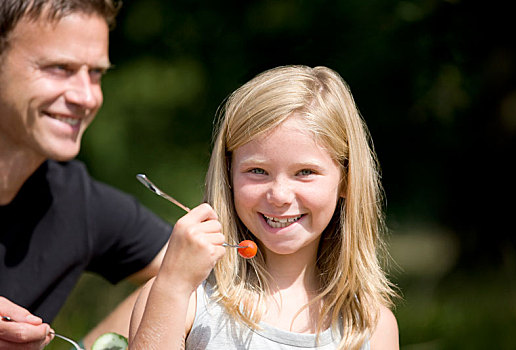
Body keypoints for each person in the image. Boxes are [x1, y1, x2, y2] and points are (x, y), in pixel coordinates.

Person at [129, 65, 399, 349]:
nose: (279, 195)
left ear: (346, 179)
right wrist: (173, 285)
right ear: (228, 174)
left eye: (305, 172)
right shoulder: (184, 299)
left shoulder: (371, 326)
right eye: (258, 171)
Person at [0, 1, 172, 349]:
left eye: (96, 73)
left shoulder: (77, 201)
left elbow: (203, 272)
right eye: (59, 68)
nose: (87, 96)